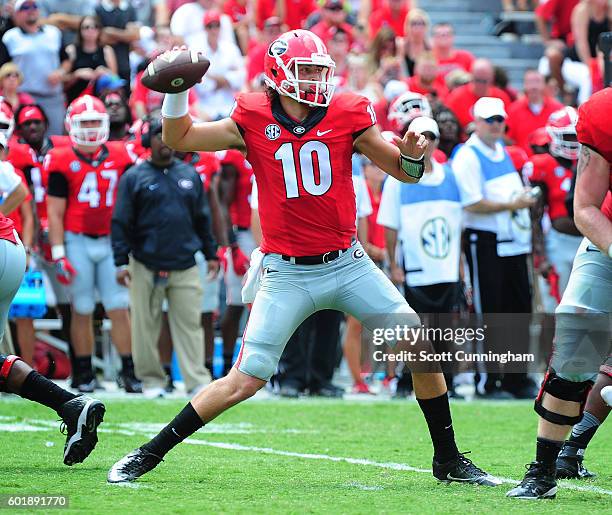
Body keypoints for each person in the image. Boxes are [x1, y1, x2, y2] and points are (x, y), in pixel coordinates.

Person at [108, 30, 499, 487]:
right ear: (278, 75)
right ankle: (147, 454)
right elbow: (181, 136)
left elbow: (406, 174)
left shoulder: (349, 112)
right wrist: (177, 93)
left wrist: (413, 155)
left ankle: (448, 459)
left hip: (347, 263)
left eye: (320, 70)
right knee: (245, 379)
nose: (316, 79)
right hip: (286, 271)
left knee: (418, 345)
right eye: (306, 70)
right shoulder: (250, 115)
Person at [507, 87, 611, 501]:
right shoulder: (603, 115)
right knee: (576, 349)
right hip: (607, 240)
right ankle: (544, 469)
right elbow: (584, 206)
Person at [112, 118, 219, 398]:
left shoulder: (190, 174)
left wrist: (211, 253)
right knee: (144, 326)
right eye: (158, 136)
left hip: (184, 261)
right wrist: (121, 261)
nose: (164, 141)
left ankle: (196, 380)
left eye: (168, 136)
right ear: (148, 142)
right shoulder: (134, 177)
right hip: (145, 262)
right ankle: (152, 381)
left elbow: (202, 218)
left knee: (190, 324)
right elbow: (121, 221)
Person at [45, 94, 139, 393]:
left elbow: (130, 206)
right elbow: (55, 212)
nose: (88, 129)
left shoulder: (120, 155)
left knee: (117, 306)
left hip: (112, 240)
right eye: (83, 123)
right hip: (77, 239)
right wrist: (59, 253)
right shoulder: (61, 158)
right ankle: (84, 372)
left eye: (94, 123)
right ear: (71, 124)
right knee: (82, 307)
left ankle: (129, 371)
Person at [451, 97, 538, 400]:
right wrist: (513, 203)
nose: (497, 124)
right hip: (486, 242)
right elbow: (471, 202)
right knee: (490, 312)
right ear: (476, 122)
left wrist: (518, 200)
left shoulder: (501, 151)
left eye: (500, 119)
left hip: (512, 242)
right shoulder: (468, 156)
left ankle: (517, 377)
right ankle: (489, 380)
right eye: (490, 120)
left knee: (519, 309)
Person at [379, 117, 464, 399]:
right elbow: (390, 226)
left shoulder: (451, 176)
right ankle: (407, 380)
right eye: (419, 136)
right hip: (414, 267)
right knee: (414, 328)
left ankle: (446, 382)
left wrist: (460, 266)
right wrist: (393, 264)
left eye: (430, 137)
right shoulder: (397, 180)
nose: (424, 143)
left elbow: (458, 227)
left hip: (446, 267)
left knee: (445, 326)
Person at [0, 0, 70, 135]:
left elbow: (66, 60)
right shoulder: (10, 37)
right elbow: (5, 68)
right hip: (23, 98)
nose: (30, 10)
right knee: (24, 140)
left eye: (34, 6)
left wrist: (60, 72)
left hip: (52, 97)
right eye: (25, 7)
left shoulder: (53, 33)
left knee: (54, 138)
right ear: (16, 14)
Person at [215, 149, 254, 376]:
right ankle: (229, 363)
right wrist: (232, 244)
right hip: (243, 233)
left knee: (262, 304)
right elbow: (223, 201)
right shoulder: (234, 156)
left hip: (269, 231)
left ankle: (252, 363)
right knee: (237, 302)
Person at [63, 15, 118, 104]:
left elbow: (116, 80)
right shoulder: (71, 50)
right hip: (76, 100)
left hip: (101, 100)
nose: (91, 30)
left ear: (99, 30)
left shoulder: (106, 50)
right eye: (86, 27)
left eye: (95, 27)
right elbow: (62, 83)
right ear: (80, 30)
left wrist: (106, 72)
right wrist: (77, 75)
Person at [506, 70, 563, 155]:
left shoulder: (558, 109)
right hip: (523, 163)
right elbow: (508, 140)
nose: (534, 86)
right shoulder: (513, 110)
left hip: (551, 163)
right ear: (524, 85)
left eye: (537, 81)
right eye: (529, 82)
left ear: (544, 84)